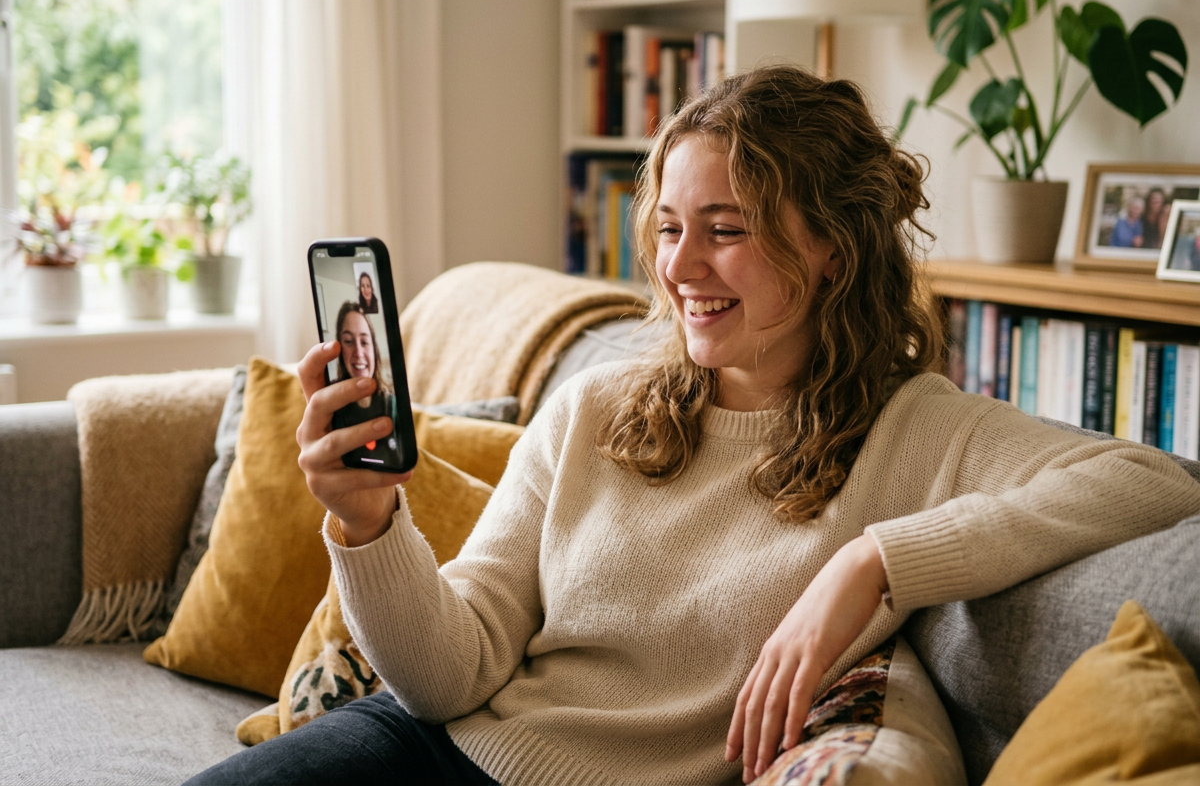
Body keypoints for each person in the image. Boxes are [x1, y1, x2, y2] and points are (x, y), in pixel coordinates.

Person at [189, 66, 1200, 786]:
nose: (681, 266)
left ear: (833, 249)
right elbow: (455, 669)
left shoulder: (918, 431)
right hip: (428, 746)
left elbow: (1156, 477)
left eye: (727, 228)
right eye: (671, 228)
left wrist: (873, 563)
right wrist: (369, 524)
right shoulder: (595, 408)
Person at [331, 301, 393, 431]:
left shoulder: (391, 404)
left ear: (374, 348)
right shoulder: (331, 404)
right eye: (348, 341)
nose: (358, 353)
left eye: (364, 342)